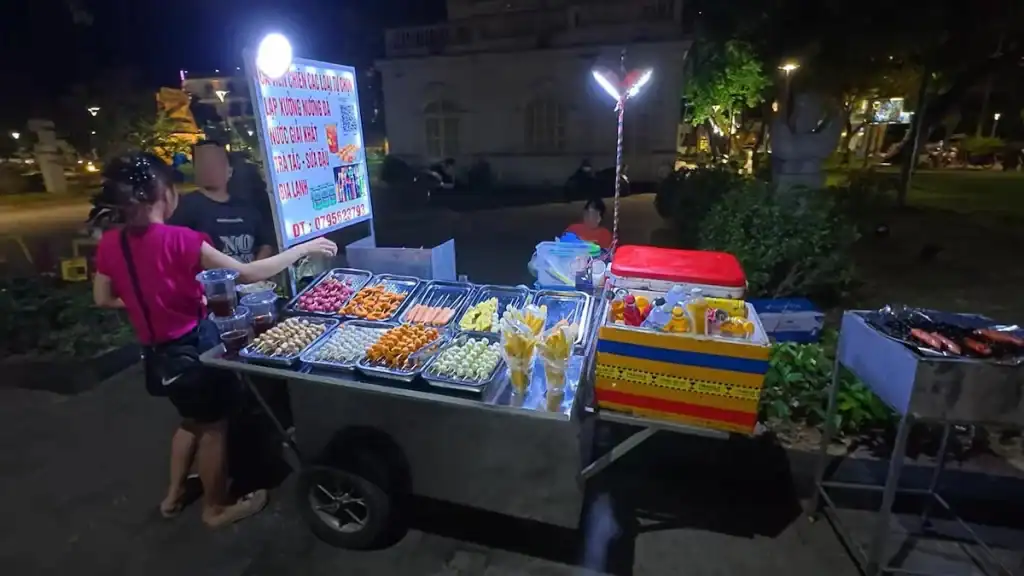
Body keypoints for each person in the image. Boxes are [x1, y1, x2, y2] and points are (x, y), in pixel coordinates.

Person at [92, 152, 337, 528]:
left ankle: (174, 497)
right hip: (192, 350)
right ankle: (216, 508)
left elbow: (103, 298)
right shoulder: (181, 239)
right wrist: (305, 248)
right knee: (213, 428)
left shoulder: (111, 243)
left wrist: (149, 303)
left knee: (190, 420)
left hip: (158, 356)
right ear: (165, 196)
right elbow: (250, 272)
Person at [170, 140, 274, 263]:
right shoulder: (185, 207)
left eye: (216, 163)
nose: (211, 169)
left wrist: (254, 273)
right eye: (205, 163)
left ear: (229, 171)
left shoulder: (246, 207)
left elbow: (266, 244)